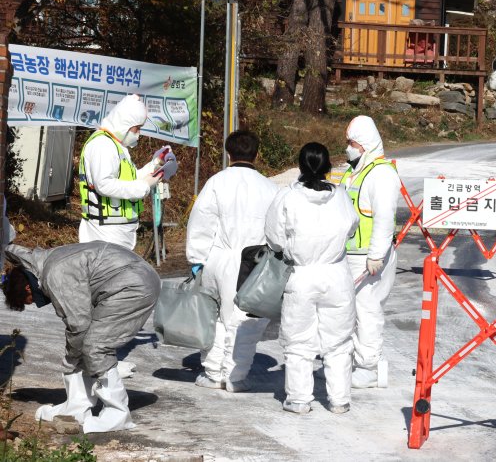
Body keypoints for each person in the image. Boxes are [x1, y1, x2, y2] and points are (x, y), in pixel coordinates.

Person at [2, 241, 160, 433]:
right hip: (129, 278)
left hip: (133, 287)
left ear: (28, 289)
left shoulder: (55, 275)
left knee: (96, 346)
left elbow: (78, 325)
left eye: (28, 301)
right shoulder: (40, 264)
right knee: (86, 345)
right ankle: (77, 407)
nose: (34, 303)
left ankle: (118, 414)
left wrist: (69, 362)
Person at [265, 142, 358, 414]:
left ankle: (299, 399)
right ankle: (339, 400)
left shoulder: (287, 197)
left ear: (300, 166)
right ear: (329, 166)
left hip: (301, 274)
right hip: (337, 274)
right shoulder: (341, 196)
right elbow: (351, 228)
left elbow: (274, 237)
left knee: (298, 339)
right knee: (339, 340)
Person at [186, 130, 279, 392]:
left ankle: (213, 372)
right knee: (246, 321)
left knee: (214, 317)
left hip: (218, 258)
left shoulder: (216, 182)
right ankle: (236, 376)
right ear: (257, 154)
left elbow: (201, 221)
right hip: (253, 263)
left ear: (228, 154)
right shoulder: (271, 188)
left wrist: (196, 259)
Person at [341, 116, 401, 389]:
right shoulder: (354, 171)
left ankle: (368, 367)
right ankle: (348, 362)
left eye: (351, 143)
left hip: (369, 259)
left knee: (367, 311)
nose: (348, 148)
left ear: (364, 144)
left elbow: (384, 218)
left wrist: (376, 254)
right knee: (348, 313)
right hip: (349, 255)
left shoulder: (382, 174)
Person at [78, 94, 169, 250]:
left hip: (117, 232)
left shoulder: (117, 146)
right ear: (125, 124)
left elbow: (129, 179)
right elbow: (104, 184)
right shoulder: (102, 145)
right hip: (105, 234)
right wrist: (144, 187)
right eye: (137, 128)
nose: (138, 133)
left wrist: (155, 165)